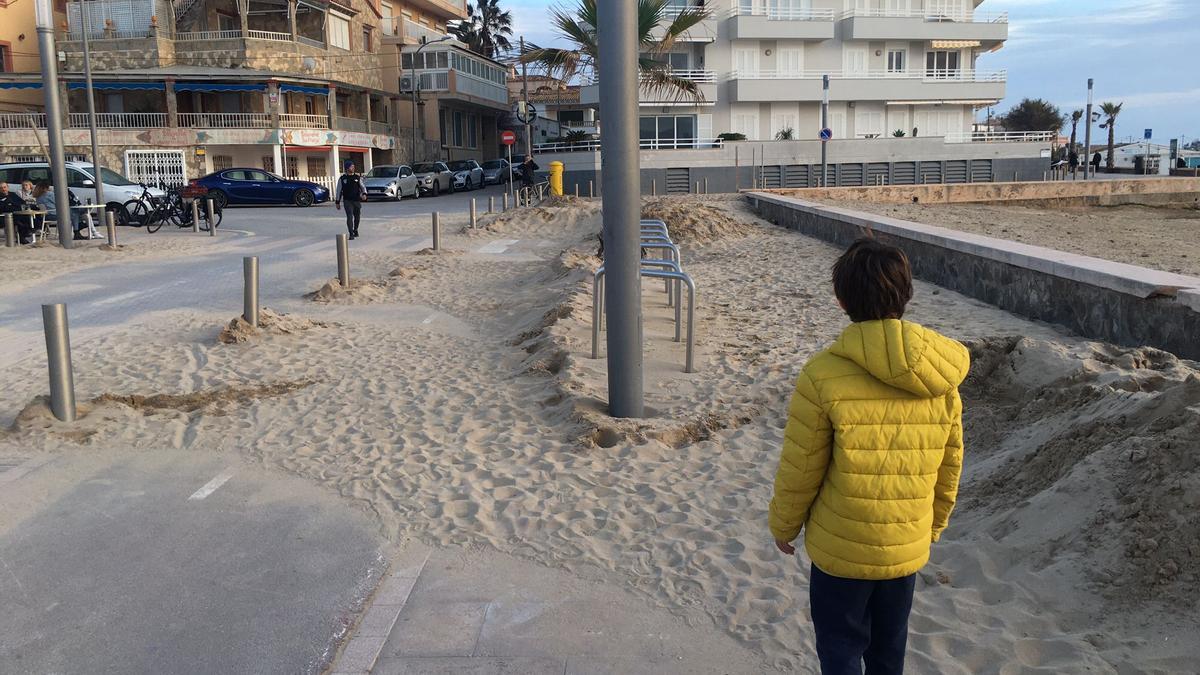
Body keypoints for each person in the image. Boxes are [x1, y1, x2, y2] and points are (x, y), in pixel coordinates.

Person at [769, 238, 969, 675]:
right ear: (907, 295)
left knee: (840, 648)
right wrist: (933, 525)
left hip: (841, 550)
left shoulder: (822, 374)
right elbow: (950, 461)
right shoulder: (941, 376)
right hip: (905, 544)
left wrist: (784, 524)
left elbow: (802, 465)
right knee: (888, 650)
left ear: (841, 301)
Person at [334, 162, 367, 240]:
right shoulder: (342, 179)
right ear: (347, 168)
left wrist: (364, 194)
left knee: (357, 217)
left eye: (353, 166)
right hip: (347, 201)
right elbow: (338, 190)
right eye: (351, 167)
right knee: (349, 216)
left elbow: (363, 187)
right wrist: (337, 202)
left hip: (356, 200)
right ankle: (351, 233)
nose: (353, 168)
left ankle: (355, 230)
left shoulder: (357, 177)